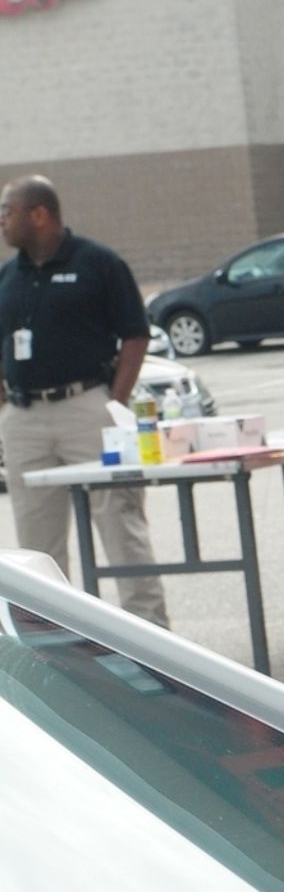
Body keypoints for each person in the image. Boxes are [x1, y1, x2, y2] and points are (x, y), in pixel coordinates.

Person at [0, 176, 168, 627]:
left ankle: (152, 638)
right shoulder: (7, 277)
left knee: (119, 520)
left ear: (39, 214)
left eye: (7, 211)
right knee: (35, 544)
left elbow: (135, 334)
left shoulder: (99, 263)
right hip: (23, 417)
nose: (1, 221)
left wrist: (113, 403)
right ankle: (51, 641)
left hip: (88, 407)